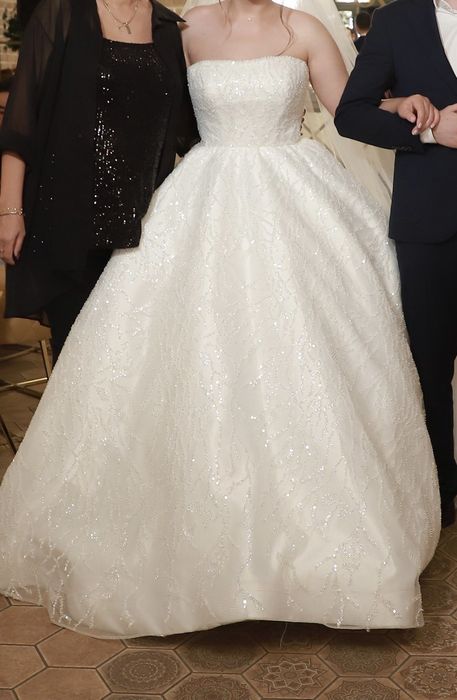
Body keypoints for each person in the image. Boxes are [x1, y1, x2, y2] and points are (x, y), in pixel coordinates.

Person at [0, 0, 440, 638]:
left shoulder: (302, 28)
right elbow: (141, 104)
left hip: (296, 199)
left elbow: (348, 111)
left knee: (306, 357)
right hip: (201, 199)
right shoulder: (183, 29)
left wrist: (398, 107)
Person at [0, 0, 198, 362]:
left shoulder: (167, 28)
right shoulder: (60, 14)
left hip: (142, 229)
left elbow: (189, 129)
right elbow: (21, 123)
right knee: (77, 357)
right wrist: (9, 211)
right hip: (67, 221)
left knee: (129, 361)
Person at [335, 0, 457, 528]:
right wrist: (427, 130)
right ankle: (442, 491)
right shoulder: (395, 21)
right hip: (429, 222)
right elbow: (350, 113)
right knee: (431, 365)